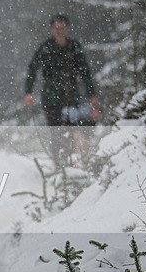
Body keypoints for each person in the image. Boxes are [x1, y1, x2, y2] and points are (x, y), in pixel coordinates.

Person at [24, 14, 100, 163]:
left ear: (67, 28)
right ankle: (59, 164)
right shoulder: (46, 48)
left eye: (62, 28)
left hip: (71, 97)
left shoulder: (74, 47)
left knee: (72, 131)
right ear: (52, 29)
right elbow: (33, 68)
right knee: (56, 132)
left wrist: (92, 95)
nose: (59, 31)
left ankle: (72, 162)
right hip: (51, 98)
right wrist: (28, 91)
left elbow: (86, 73)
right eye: (56, 28)